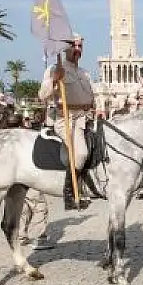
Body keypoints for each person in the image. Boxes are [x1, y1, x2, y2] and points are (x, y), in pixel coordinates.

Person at [38, 33, 95, 210]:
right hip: (67, 119)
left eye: (80, 47)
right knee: (80, 154)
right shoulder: (56, 69)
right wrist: (55, 80)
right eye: (73, 46)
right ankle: (69, 195)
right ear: (65, 49)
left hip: (85, 117)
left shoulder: (84, 72)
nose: (77, 50)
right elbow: (42, 95)